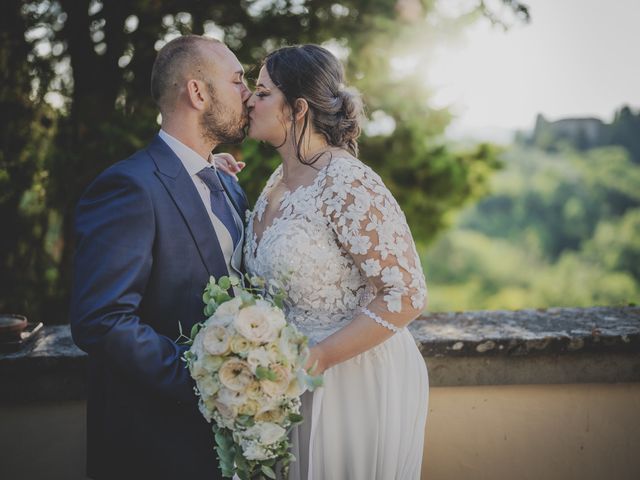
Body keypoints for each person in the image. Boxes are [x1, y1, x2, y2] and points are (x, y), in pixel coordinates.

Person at [240, 44, 429, 480]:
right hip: (288, 383)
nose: (250, 100)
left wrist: (320, 357)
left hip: (349, 381)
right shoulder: (276, 181)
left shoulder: (347, 181)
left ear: (297, 109)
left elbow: (407, 294)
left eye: (263, 92)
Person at [69, 35, 251, 479]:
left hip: (229, 443)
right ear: (198, 92)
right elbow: (102, 318)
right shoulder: (130, 187)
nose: (248, 93)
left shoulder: (227, 182)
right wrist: (205, 380)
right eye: (238, 80)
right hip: (155, 444)